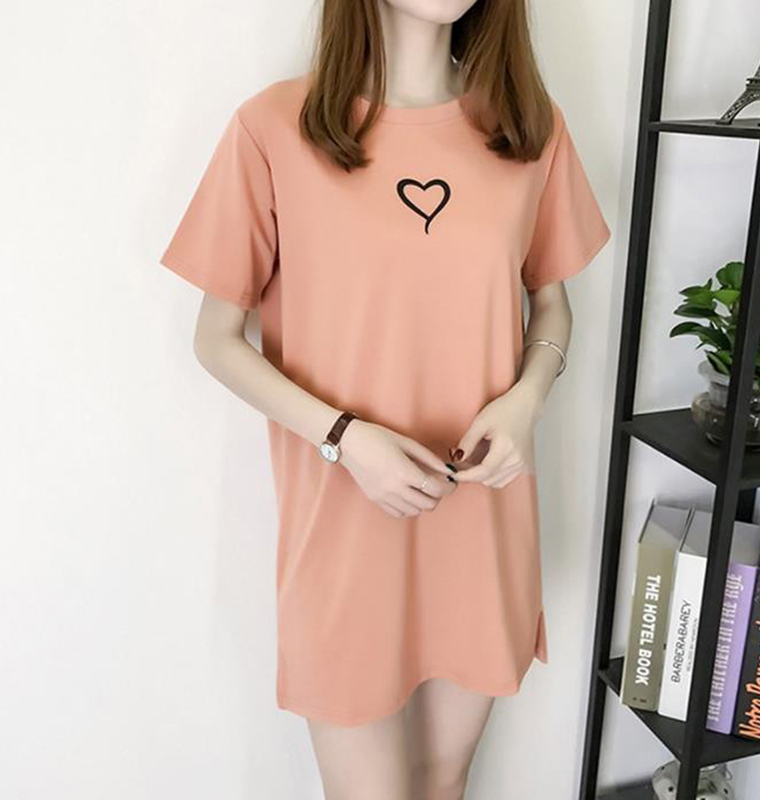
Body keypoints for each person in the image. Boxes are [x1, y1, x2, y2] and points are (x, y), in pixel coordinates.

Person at [159, 1, 611, 797]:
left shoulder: (527, 128)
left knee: (444, 782)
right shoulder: (274, 128)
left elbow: (551, 303)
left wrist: (528, 399)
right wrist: (343, 436)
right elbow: (217, 340)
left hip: (482, 510)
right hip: (344, 525)